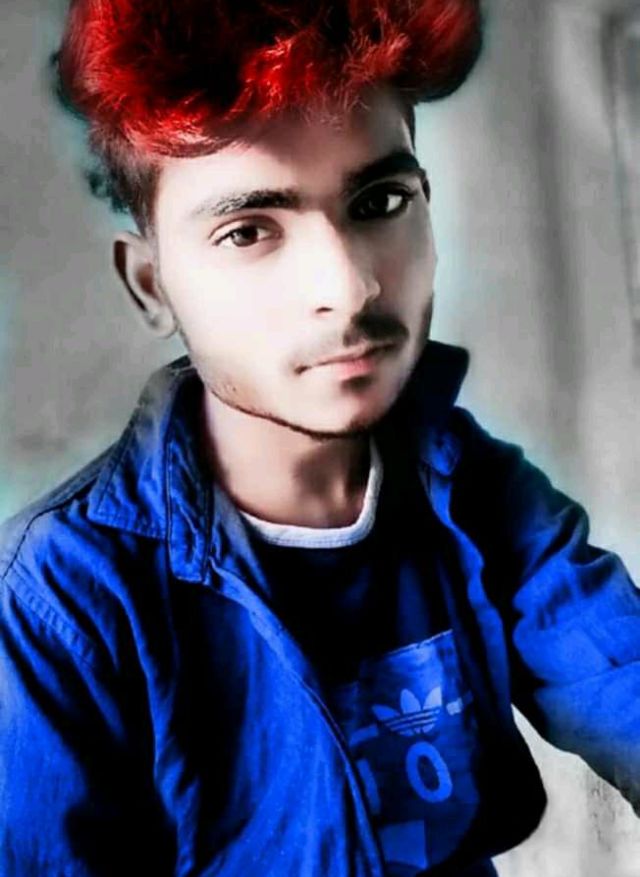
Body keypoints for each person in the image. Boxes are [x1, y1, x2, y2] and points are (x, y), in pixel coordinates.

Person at [1, 1, 638, 875]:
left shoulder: (474, 487)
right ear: (151, 286)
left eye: (380, 202)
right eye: (249, 230)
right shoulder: (60, 600)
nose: (349, 284)